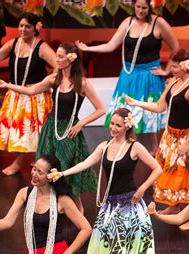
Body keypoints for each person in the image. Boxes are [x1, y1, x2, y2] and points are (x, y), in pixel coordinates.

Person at [56, 108, 162, 254]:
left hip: (129, 203)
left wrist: (142, 188)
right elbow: (85, 164)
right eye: (111, 124)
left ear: (127, 127)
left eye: (118, 125)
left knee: (120, 240)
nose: (112, 128)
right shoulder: (104, 146)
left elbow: (157, 168)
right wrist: (62, 173)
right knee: (111, 239)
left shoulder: (134, 147)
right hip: (111, 203)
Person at [0, 42, 105, 213]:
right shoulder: (53, 79)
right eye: (57, 56)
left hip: (69, 131)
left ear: (70, 59)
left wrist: (80, 123)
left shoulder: (81, 83)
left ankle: (77, 209)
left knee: (66, 171)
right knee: (47, 169)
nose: (56, 60)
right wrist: (7, 85)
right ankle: (52, 207)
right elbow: (31, 91)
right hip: (50, 129)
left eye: (60, 56)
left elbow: (101, 109)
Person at [76, 0, 179, 152]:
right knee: (127, 112)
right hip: (129, 74)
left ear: (150, 7)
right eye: (138, 7)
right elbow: (111, 45)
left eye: (144, 8)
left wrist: (166, 70)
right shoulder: (128, 22)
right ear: (133, 6)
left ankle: (155, 151)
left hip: (148, 76)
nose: (141, 11)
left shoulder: (159, 23)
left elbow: (175, 48)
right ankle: (129, 148)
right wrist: (88, 48)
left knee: (148, 114)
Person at [125, 49, 189, 230]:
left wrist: (187, 144)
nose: (171, 69)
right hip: (172, 136)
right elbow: (159, 106)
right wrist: (136, 103)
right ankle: (174, 206)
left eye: (174, 66)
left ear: (185, 66)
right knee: (172, 173)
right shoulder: (174, 83)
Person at [0, 12, 57, 175]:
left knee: (29, 132)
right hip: (16, 94)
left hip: (35, 96)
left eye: (27, 26)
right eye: (21, 26)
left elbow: (58, 66)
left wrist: (47, 82)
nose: (23, 29)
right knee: (22, 132)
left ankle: (20, 163)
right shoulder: (14, 43)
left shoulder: (41, 47)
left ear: (35, 29)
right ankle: (39, 161)